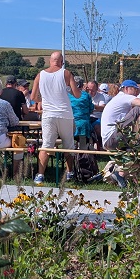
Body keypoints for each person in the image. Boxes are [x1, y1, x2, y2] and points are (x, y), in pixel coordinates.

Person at [31, 51, 82, 185]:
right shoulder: (66, 73)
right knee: (68, 145)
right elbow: (77, 95)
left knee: (46, 145)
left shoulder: (40, 75)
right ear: (62, 62)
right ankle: (70, 172)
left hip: (48, 114)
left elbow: (33, 97)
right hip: (65, 114)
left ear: (50, 61)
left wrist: (42, 100)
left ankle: (40, 174)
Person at [100, 79, 140, 150]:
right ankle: (134, 142)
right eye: (135, 90)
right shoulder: (124, 97)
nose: (137, 93)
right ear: (126, 88)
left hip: (108, 141)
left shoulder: (118, 99)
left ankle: (135, 144)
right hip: (112, 139)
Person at [69, 76, 95, 149]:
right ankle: (82, 154)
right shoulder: (86, 95)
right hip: (83, 124)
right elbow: (91, 109)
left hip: (69, 123)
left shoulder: (68, 95)